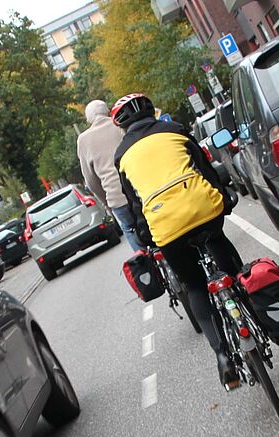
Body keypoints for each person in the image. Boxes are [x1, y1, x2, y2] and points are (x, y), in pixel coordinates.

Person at [111, 93, 245, 388]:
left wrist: (145, 236)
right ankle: (249, 312)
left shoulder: (122, 156)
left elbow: (134, 203)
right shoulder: (175, 130)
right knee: (223, 250)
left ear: (122, 127)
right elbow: (206, 170)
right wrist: (224, 195)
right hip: (203, 208)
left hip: (165, 226)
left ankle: (223, 357)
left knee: (195, 286)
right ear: (152, 113)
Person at [77, 100, 142, 251]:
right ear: (107, 111)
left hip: (116, 197)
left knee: (130, 230)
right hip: (139, 188)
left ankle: (145, 267)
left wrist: (106, 202)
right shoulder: (120, 125)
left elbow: (91, 180)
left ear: (88, 119)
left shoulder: (83, 140)